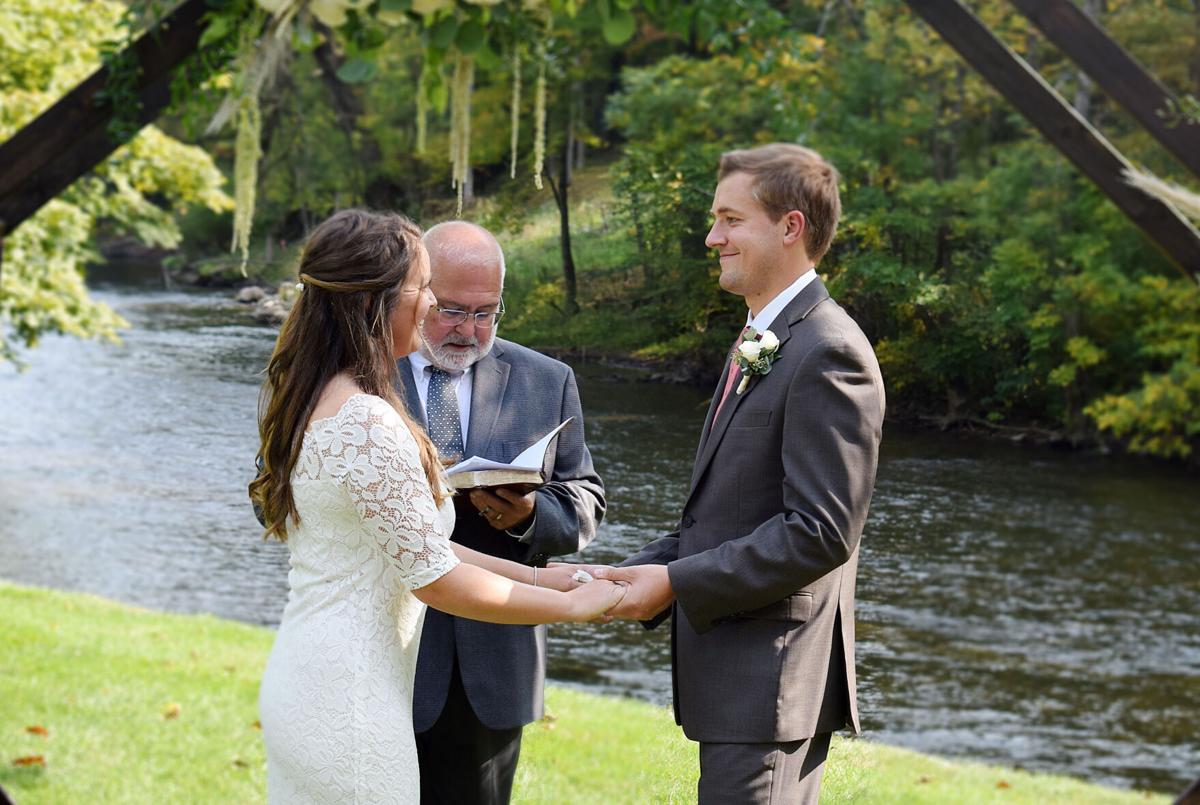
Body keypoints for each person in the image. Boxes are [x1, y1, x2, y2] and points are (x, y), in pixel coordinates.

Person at [248, 209, 624, 804]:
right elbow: (435, 575)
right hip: (358, 685)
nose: (440, 315)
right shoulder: (367, 412)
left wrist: (546, 567)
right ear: (380, 300)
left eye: (485, 312)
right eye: (432, 295)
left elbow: (423, 542)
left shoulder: (319, 386)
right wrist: (575, 605)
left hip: (348, 669)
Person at [592, 144, 886, 803]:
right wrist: (623, 575)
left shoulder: (829, 349)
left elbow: (819, 532)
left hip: (772, 684)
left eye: (730, 219)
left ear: (791, 227)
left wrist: (673, 580)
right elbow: (725, 512)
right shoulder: (765, 336)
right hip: (742, 686)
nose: (711, 236)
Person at [398, 221, 606, 805]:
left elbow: (585, 500)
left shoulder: (547, 380)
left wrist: (528, 515)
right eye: (452, 311)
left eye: (486, 313)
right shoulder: (363, 372)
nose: (468, 331)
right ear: (417, 292)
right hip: (385, 647)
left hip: (492, 658)